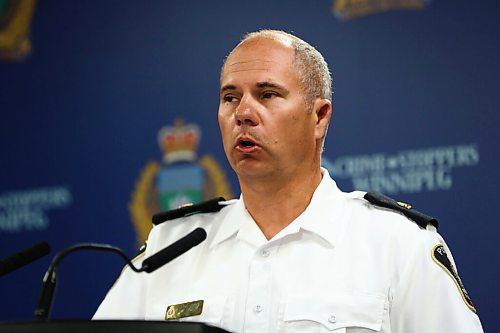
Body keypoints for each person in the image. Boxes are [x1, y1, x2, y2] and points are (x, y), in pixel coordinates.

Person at [93, 30, 484, 333]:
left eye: (267, 94)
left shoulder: (397, 244)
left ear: (320, 117)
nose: (243, 113)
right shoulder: (171, 246)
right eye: (230, 98)